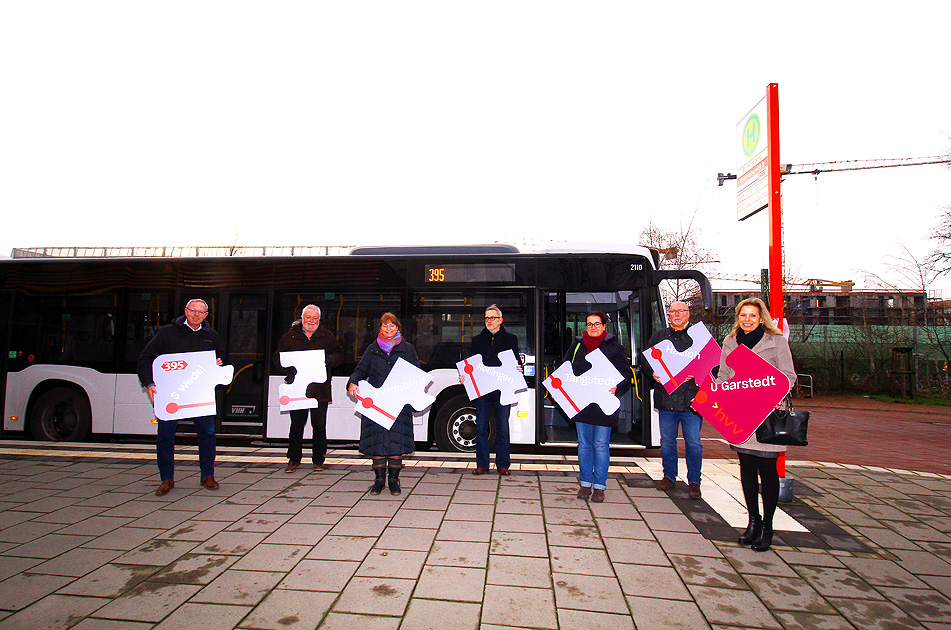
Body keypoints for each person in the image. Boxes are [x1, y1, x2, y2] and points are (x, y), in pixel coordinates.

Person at [715, 297, 796, 552]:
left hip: (768, 412)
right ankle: (753, 521)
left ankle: (768, 527)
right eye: (743, 315)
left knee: (768, 470)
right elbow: (724, 374)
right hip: (742, 413)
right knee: (747, 468)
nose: (747, 320)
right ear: (737, 317)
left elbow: (788, 375)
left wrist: (775, 397)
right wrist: (718, 391)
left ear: (762, 318)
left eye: (752, 316)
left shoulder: (776, 341)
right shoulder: (730, 341)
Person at [137, 299, 224, 496]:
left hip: (199, 394)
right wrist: (149, 383)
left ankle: (207, 475)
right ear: (186, 311)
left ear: (206, 316)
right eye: (193, 311)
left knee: (208, 434)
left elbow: (222, 358)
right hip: (171, 394)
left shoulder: (211, 336)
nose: (196, 315)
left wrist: (219, 362)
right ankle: (166, 479)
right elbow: (146, 357)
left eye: (201, 312)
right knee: (166, 436)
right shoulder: (168, 333)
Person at [347, 313, 419, 496]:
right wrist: (353, 382)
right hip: (377, 403)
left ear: (398, 328)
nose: (388, 329)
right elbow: (361, 369)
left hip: (398, 404)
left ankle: (394, 481)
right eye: (385, 326)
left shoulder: (408, 349)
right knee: (378, 443)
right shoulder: (372, 349)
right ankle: (379, 480)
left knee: (396, 443)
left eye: (392, 326)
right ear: (380, 328)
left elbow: (416, 373)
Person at [566, 311, 631, 503]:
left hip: (604, 404)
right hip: (582, 403)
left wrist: (617, 387)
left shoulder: (615, 348)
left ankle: (600, 486)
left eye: (597, 324)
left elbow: (626, 375)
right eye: (589, 324)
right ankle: (586, 483)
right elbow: (564, 369)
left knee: (601, 445)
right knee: (584, 445)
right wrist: (558, 387)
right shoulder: (577, 346)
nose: (593, 327)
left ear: (604, 326)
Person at [642, 301, 704, 499]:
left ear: (688, 314)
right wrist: (653, 374)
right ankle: (669, 476)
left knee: (693, 442)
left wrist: (696, 374)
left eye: (681, 311)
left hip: (692, 400)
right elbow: (645, 360)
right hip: (666, 399)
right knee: (667, 441)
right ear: (669, 315)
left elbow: (714, 364)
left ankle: (694, 481)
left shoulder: (700, 336)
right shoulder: (659, 336)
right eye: (673, 311)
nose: (677, 314)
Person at [272, 304, 344, 473]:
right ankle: (293, 459)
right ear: (302, 318)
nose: (311, 321)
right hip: (297, 389)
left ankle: (319, 460)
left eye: (315, 318)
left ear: (319, 320)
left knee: (319, 425)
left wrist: (328, 361)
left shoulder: (327, 337)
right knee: (296, 425)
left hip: (320, 389)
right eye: (308, 317)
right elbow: (277, 358)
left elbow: (339, 354)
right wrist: (289, 368)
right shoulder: (289, 337)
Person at [461, 305, 521, 476]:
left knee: (503, 428)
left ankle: (503, 465)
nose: (489, 321)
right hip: (483, 391)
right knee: (480, 428)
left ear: (500, 320)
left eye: (492, 318)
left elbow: (515, 362)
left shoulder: (511, 339)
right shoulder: (477, 340)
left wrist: (519, 369)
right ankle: (482, 464)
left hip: (503, 391)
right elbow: (471, 364)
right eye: (487, 318)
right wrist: (465, 376)